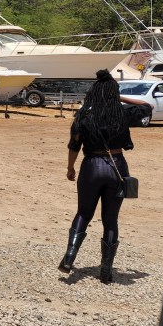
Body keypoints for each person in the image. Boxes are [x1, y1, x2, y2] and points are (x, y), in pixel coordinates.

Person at [60, 70, 152, 283]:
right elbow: (147, 107)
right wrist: (117, 97)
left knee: (83, 213)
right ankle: (106, 270)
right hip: (117, 166)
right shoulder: (121, 113)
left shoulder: (83, 115)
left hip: (91, 166)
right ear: (113, 93)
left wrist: (70, 168)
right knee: (110, 220)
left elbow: (74, 145)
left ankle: (69, 257)